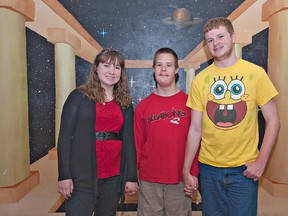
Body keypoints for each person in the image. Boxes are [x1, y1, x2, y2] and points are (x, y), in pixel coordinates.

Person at [182, 17, 280, 216]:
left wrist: (261, 162)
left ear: (233, 37)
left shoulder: (256, 73)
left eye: (220, 36)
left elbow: (274, 121)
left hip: (244, 170)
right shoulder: (200, 80)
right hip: (208, 169)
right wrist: (186, 169)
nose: (215, 43)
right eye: (210, 40)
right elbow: (195, 128)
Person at [57, 49, 139, 216]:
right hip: (81, 175)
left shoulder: (125, 103)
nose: (111, 71)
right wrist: (64, 175)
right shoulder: (78, 97)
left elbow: (130, 141)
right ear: (96, 68)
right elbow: (65, 138)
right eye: (106, 65)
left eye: (117, 67)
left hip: (113, 176)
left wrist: (131, 176)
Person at [134, 47, 199, 216]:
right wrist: (132, 176)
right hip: (149, 180)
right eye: (159, 65)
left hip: (180, 179)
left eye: (169, 65)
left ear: (176, 69)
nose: (163, 69)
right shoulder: (143, 107)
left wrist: (193, 173)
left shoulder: (190, 104)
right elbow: (137, 144)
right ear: (154, 69)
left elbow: (197, 142)